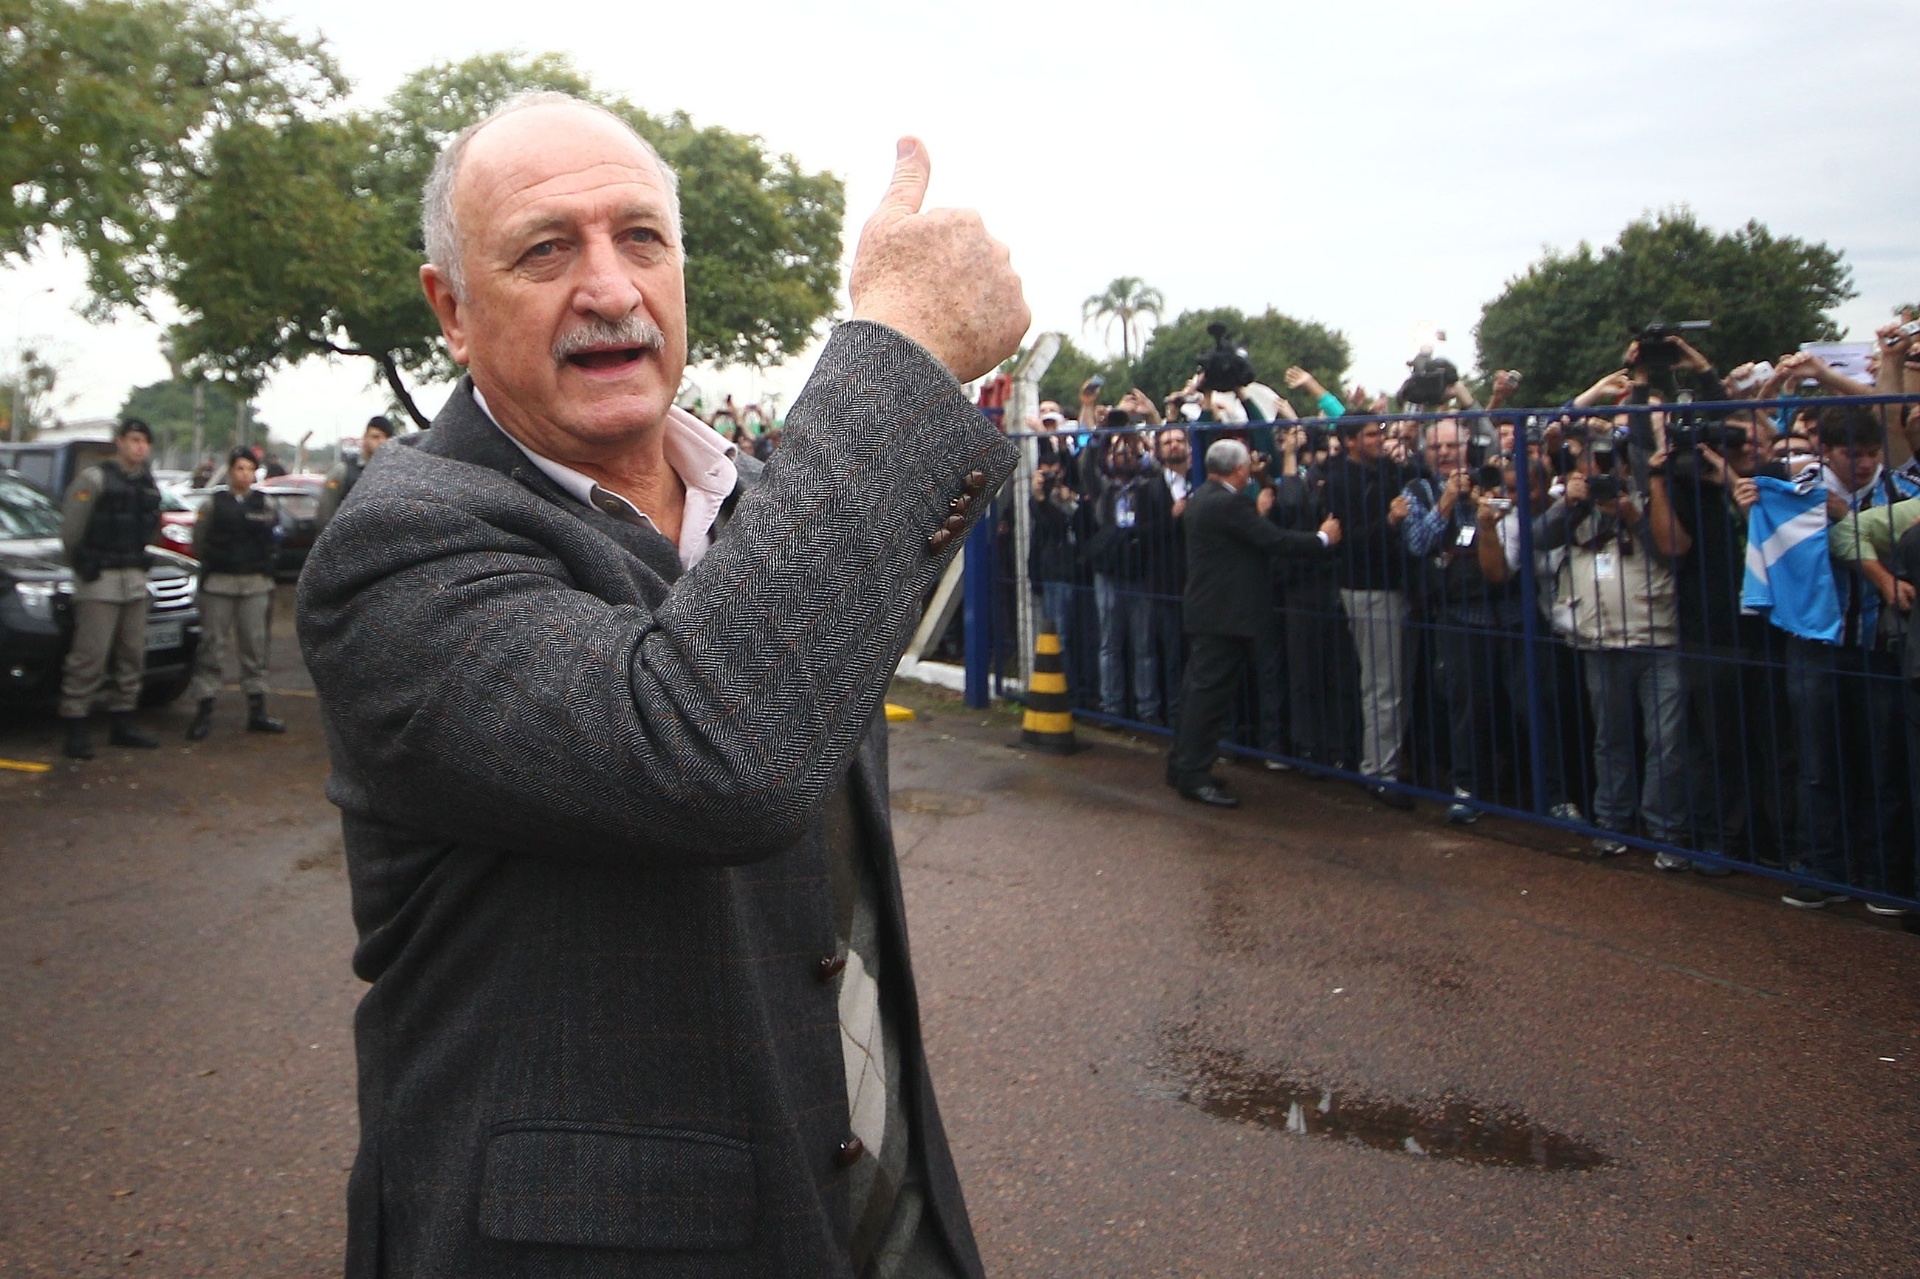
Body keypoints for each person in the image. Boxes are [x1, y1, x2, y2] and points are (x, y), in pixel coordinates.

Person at [295, 94, 1026, 1278]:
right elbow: (713, 751)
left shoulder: (757, 507)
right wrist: (899, 348)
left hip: (869, 1207)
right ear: (453, 311)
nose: (611, 287)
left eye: (641, 237)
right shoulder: (398, 547)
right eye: (545, 249)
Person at [1166, 438, 1339, 806]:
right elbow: (1274, 540)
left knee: (1198, 693)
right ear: (1240, 469)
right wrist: (1322, 538)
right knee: (1208, 698)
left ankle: (1183, 765)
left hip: (1209, 611)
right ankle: (1193, 775)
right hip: (1224, 616)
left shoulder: (1203, 498)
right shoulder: (1228, 504)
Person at [56, 418, 162, 760]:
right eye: (133, 440)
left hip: (133, 579)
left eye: (144, 441)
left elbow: (151, 531)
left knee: (131, 655)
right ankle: (75, 724)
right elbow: (71, 533)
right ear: (119, 442)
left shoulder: (146, 483)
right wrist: (84, 568)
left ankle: (123, 721)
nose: (139, 447)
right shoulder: (95, 479)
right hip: (100, 579)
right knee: (90, 656)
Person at [184, 447, 286, 740]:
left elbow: (273, 541)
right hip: (220, 584)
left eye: (250, 469)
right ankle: (204, 710)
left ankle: (257, 710)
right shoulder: (214, 504)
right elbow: (199, 542)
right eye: (240, 468)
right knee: (211, 647)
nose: (245, 474)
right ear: (230, 471)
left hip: (254, 583)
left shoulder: (265, 503)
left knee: (254, 647)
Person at [315, 415, 395, 527]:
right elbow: (326, 511)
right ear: (365, 438)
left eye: (387, 437)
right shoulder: (343, 470)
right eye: (375, 437)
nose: (382, 442)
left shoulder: (396, 472)